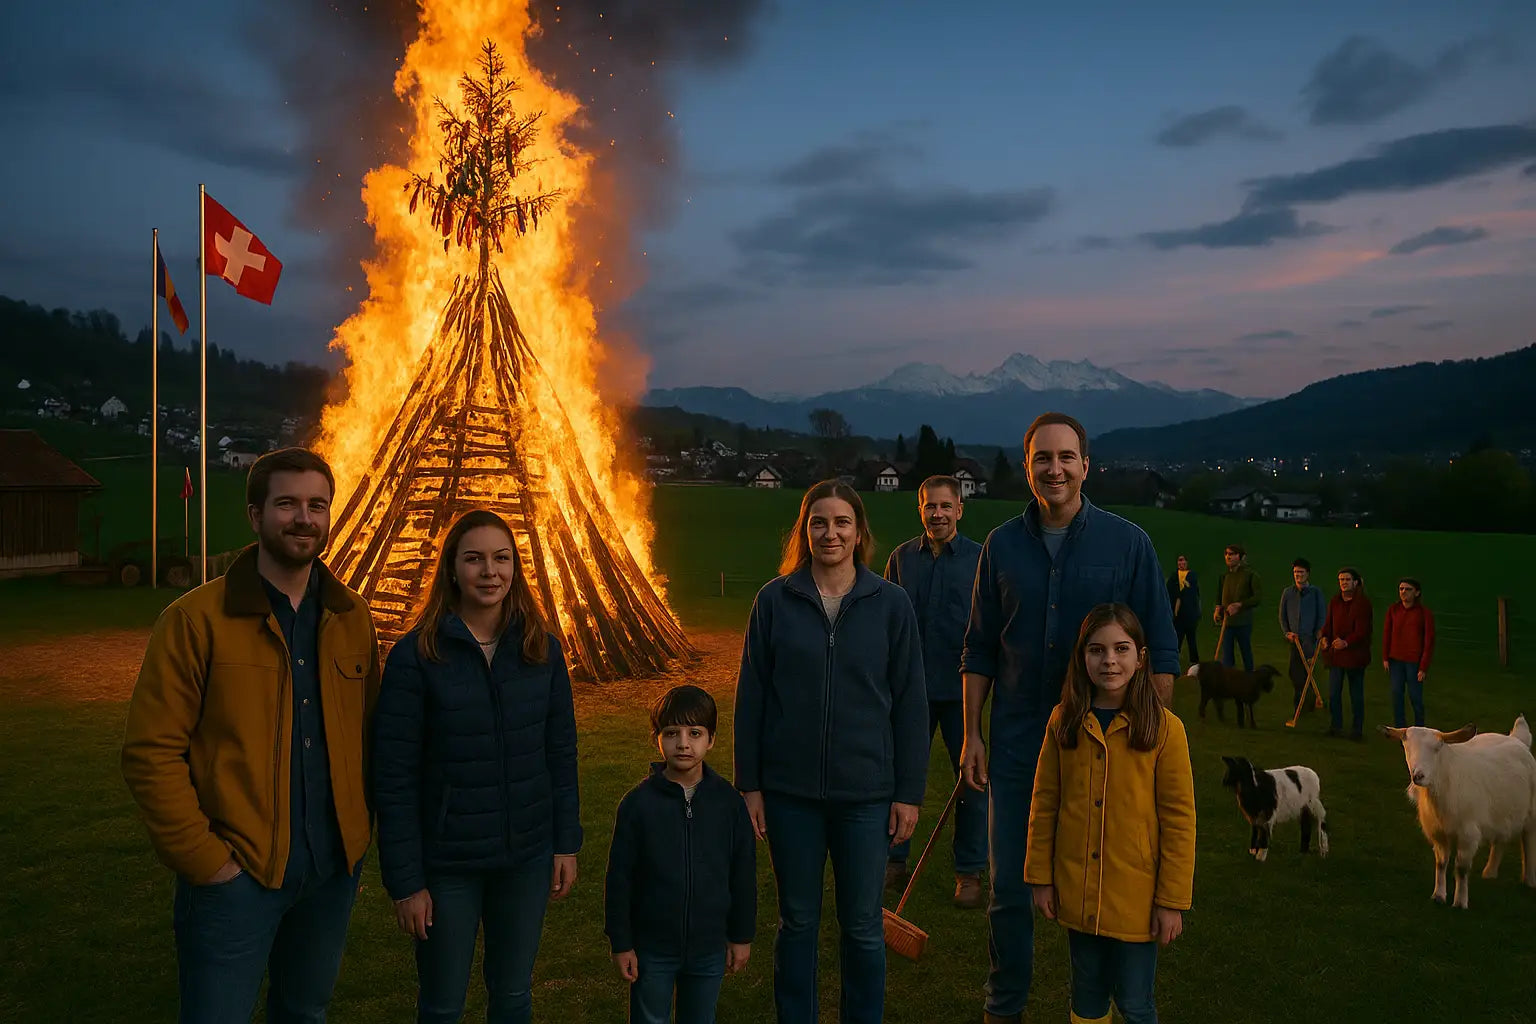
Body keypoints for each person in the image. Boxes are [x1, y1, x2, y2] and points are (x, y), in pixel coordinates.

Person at [121, 447, 380, 1024]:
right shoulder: (195, 620)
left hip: (330, 874)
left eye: (317, 505)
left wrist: (356, 844)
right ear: (255, 515)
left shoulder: (352, 618)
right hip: (238, 877)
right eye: (287, 504)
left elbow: (368, 735)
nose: (304, 519)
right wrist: (208, 863)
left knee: (304, 1013)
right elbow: (150, 753)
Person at [960, 412, 1178, 1024]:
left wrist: (1152, 738)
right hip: (1017, 744)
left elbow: (1160, 650)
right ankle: (1004, 1007)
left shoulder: (1128, 544)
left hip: (1101, 747)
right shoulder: (1001, 546)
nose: (1054, 469)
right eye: (1042, 458)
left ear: (1086, 465)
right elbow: (979, 648)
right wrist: (972, 733)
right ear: (1027, 467)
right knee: (1009, 888)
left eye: (1065, 457)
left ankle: (1103, 1006)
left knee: (1107, 882)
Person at [372, 509, 581, 1024]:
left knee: (512, 996)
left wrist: (565, 843)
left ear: (515, 568)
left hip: (526, 856)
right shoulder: (416, 657)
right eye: (474, 559)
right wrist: (407, 882)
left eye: (501, 558)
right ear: (452, 568)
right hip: (449, 863)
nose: (490, 572)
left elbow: (560, 754)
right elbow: (394, 778)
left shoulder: (541, 651)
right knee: (443, 1004)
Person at [735, 479, 928, 1024]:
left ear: (859, 531)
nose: (830, 533)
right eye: (818, 522)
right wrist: (750, 784)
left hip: (866, 795)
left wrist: (908, 792)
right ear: (804, 530)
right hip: (790, 793)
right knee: (796, 922)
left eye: (842, 522)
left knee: (862, 925)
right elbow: (752, 697)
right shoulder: (775, 601)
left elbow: (911, 704)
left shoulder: (891, 604)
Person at [1026, 603, 1195, 1024]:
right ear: (1082, 657)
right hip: (1079, 892)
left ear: (1141, 657)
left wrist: (1171, 901)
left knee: (1135, 1002)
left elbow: (1179, 821)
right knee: (1086, 997)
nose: (1109, 661)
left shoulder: (1165, 729)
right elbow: (1044, 803)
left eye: (1121, 649)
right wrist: (1041, 877)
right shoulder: (1064, 721)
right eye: (1097, 650)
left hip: (1138, 899)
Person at [605, 685, 756, 1024]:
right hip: (652, 947)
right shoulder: (637, 805)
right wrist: (622, 943)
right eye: (672, 733)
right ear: (657, 738)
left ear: (711, 739)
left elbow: (743, 874)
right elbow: (619, 879)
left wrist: (741, 935)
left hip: (709, 946)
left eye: (694, 733)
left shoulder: (729, 804)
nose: (683, 743)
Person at [882, 474, 988, 908]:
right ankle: (893, 861)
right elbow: (885, 623)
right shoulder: (901, 559)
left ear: (960, 509)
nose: (938, 514)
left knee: (972, 780)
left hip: (963, 692)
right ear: (920, 509)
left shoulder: (981, 560)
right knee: (901, 777)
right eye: (931, 506)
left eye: (946, 506)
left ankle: (969, 872)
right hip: (910, 691)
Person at [1319, 567, 1373, 741]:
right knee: (1334, 693)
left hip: (1355, 657)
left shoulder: (1362, 604)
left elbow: (1362, 631)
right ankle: (1336, 726)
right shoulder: (1335, 601)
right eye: (1341, 580)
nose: (1343, 583)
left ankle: (1357, 730)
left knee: (1356, 694)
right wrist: (1324, 637)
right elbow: (1328, 624)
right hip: (1336, 656)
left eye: (1347, 579)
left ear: (1355, 582)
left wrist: (1346, 642)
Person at [1382, 578, 1436, 728]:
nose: (1403, 592)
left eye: (1408, 589)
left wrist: (1423, 666)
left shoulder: (1424, 613)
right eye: (1401, 589)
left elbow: (1429, 641)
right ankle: (1400, 728)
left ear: (1417, 593)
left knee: (1415, 697)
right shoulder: (1393, 610)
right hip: (1395, 660)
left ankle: (1420, 728)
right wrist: (1385, 657)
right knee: (1396, 694)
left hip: (1414, 661)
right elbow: (1387, 633)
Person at [1278, 557, 1327, 715]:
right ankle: (1301, 700)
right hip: (1294, 640)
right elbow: (1282, 616)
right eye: (1295, 572)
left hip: (1309, 639)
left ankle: (1308, 703)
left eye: (1301, 572)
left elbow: (1322, 614)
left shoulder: (1315, 592)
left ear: (1308, 573)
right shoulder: (1288, 592)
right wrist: (1287, 632)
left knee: (1308, 671)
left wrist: (1319, 632)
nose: (1298, 575)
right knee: (1295, 672)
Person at [1213, 543, 1261, 672]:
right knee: (1227, 656)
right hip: (1227, 622)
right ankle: (1229, 679)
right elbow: (1219, 595)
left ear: (1240, 557)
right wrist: (1218, 609)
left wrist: (1240, 605)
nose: (1228, 557)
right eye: (1226, 554)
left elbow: (1257, 598)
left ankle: (1250, 678)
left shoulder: (1250, 575)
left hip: (1243, 622)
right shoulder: (1224, 576)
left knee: (1245, 652)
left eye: (1232, 554)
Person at [1164, 554, 1200, 667]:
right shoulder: (1174, 577)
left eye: (1183, 560)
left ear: (1187, 562)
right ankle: (1174, 660)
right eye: (1179, 561)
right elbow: (1169, 591)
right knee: (1177, 638)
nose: (1181, 563)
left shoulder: (1192, 575)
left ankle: (1194, 662)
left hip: (1189, 614)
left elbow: (1193, 592)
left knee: (1191, 639)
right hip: (1177, 616)